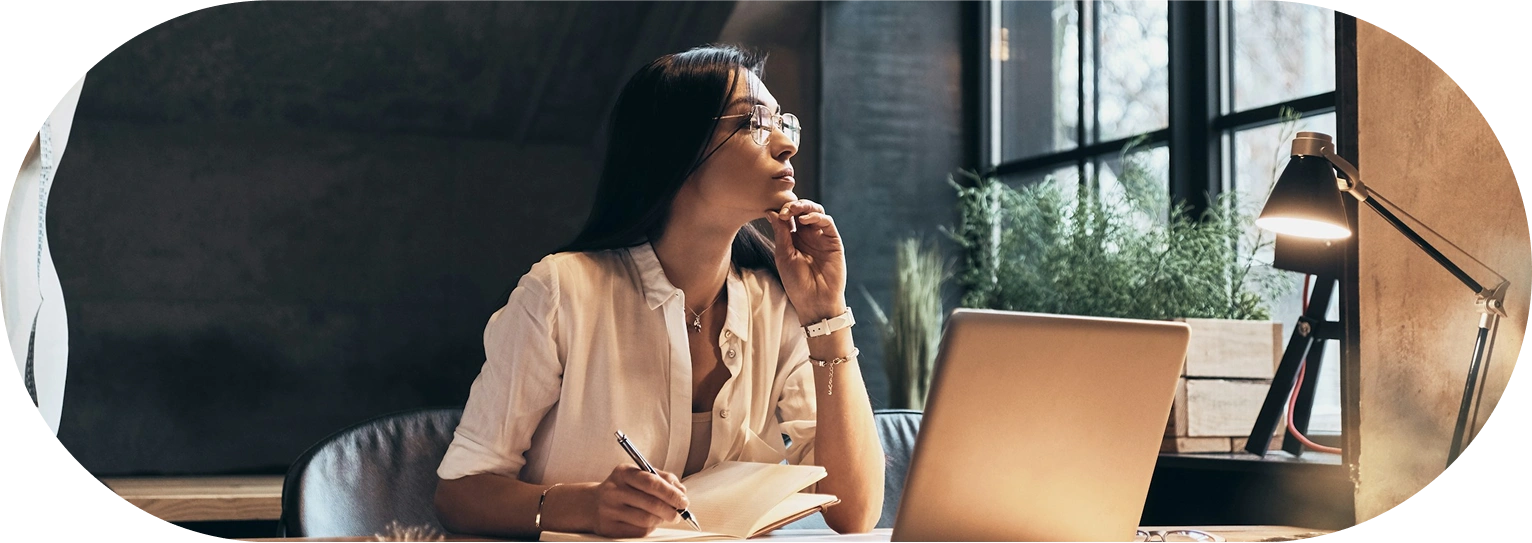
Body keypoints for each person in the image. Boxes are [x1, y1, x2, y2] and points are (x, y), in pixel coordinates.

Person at [432, 44, 884, 540]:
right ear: (679, 146)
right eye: (756, 123)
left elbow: (854, 513)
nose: (786, 145)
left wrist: (827, 315)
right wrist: (581, 506)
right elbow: (460, 492)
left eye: (784, 123)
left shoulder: (777, 304)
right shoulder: (561, 291)